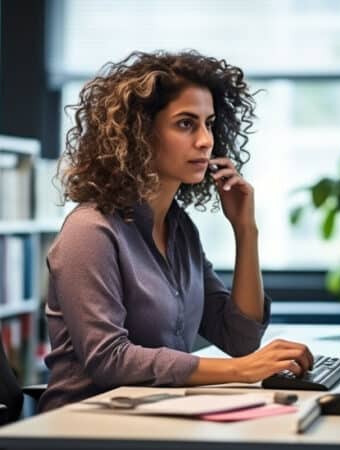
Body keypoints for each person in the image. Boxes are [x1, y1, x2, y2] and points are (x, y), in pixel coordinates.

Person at [38, 50, 313, 412]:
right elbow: (108, 359)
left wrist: (246, 230)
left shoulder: (180, 230)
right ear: (139, 134)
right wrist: (241, 370)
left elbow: (240, 338)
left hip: (162, 415)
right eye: (186, 124)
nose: (205, 140)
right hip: (82, 426)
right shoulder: (90, 231)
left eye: (209, 123)